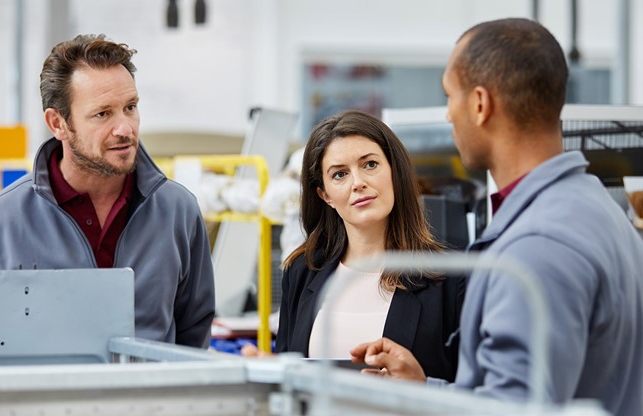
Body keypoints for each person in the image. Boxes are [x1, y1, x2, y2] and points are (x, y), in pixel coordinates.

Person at [350, 18, 643, 416]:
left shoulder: (539, 246)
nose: (449, 116)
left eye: (450, 97)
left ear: (480, 104)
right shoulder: (596, 208)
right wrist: (425, 391)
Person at [0, 34, 215, 348]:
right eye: (103, 114)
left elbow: (193, 333)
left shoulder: (178, 211)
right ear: (57, 123)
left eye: (130, 107)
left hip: (154, 398)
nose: (125, 128)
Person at [274, 110, 464, 382]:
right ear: (325, 195)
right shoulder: (302, 270)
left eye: (370, 165)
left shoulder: (451, 276)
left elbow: (478, 393)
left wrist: (421, 387)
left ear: (394, 171)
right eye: (339, 175)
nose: (358, 182)